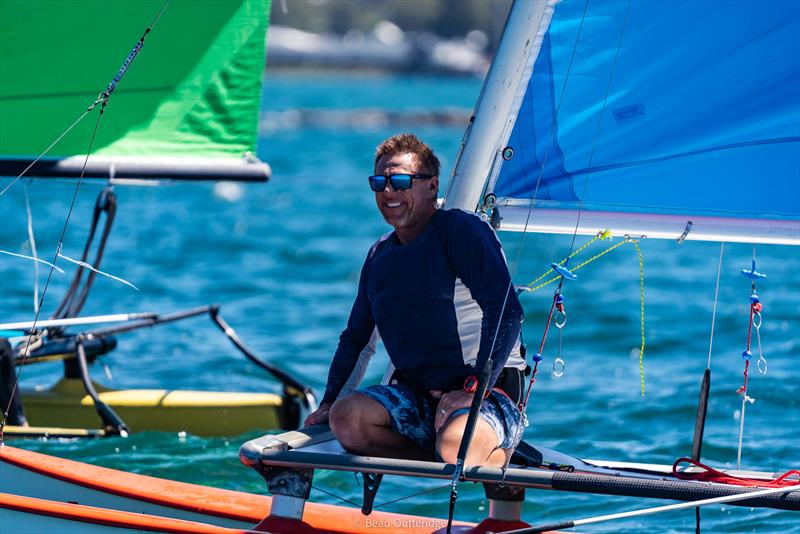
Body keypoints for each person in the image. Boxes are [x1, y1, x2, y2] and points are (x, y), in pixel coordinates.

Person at [304, 133, 525, 467]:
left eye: (402, 181)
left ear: (432, 186)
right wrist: (329, 402)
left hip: (488, 395)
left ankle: (493, 455)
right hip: (418, 398)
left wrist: (474, 390)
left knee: (455, 448)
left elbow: (506, 310)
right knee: (345, 417)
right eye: (379, 182)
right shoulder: (380, 254)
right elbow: (357, 340)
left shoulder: (461, 231)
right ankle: (439, 457)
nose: (389, 192)